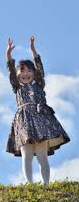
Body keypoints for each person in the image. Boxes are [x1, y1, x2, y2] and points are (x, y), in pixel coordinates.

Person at [5, 36, 70, 185]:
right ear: (17, 76)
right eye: (22, 71)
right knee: (26, 154)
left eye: (29, 70)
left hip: (41, 120)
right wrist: (8, 53)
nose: (26, 73)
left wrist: (33, 50)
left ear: (34, 73)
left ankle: (46, 185)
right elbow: (9, 68)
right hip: (24, 122)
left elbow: (40, 68)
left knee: (42, 155)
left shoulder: (39, 84)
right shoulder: (17, 88)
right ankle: (29, 183)